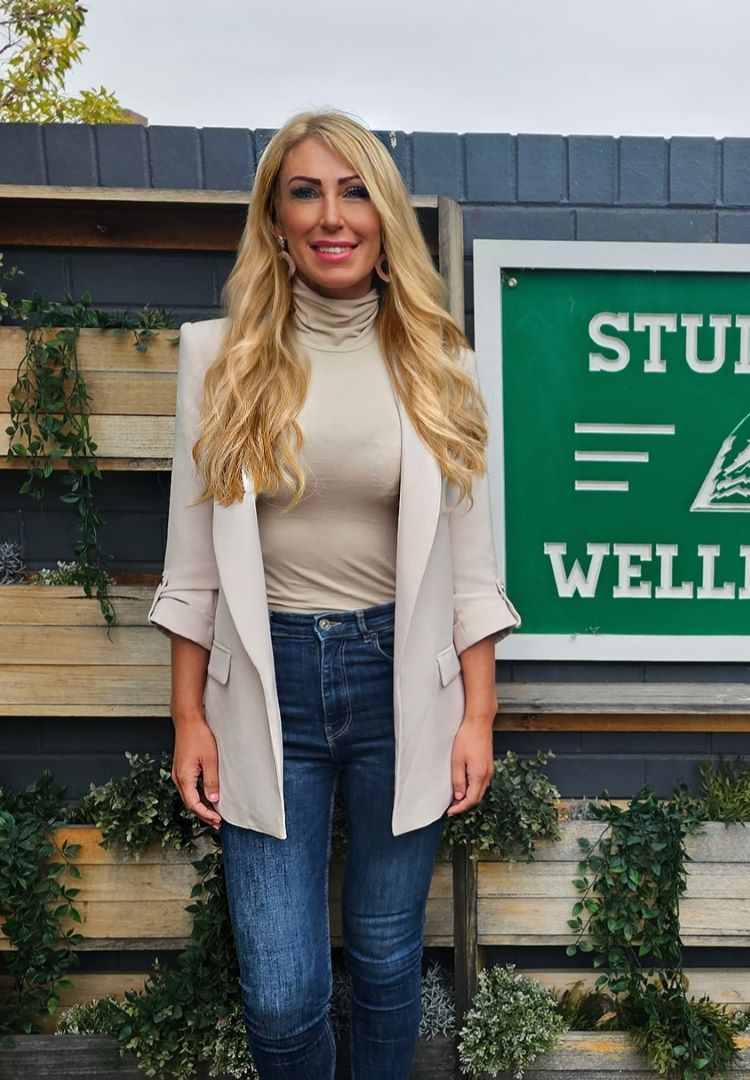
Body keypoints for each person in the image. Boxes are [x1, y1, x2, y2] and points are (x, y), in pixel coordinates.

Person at [148, 109, 519, 1079]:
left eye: (355, 191)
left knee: (390, 960)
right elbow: (193, 561)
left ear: (387, 216)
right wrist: (187, 716)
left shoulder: (446, 369)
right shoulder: (214, 357)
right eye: (306, 191)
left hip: (404, 680)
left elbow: (472, 565)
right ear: (275, 220)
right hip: (266, 690)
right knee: (279, 994)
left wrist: (479, 713)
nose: (332, 214)